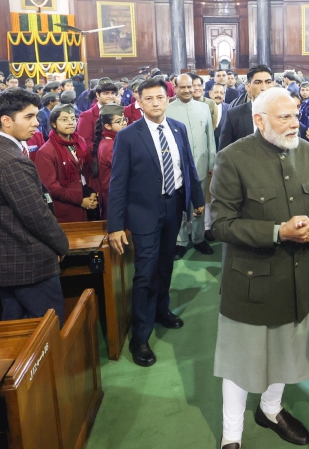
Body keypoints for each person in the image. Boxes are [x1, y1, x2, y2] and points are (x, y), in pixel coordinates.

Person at [210, 87, 309, 449]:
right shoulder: (233, 158)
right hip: (251, 283)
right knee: (238, 365)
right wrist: (278, 232)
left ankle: (270, 409)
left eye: (296, 114)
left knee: (285, 353)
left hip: (296, 279)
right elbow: (220, 225)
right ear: (259, 120)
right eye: (285, 117)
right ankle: (231, 436)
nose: (295, 123)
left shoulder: (307, 152)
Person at [107, 78, 204, 367]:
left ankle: (162, 310)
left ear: (167, 98)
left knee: (166, 264)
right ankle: (141, 337)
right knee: (146, 273)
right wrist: (114, 225)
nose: (155, 103)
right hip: (144, 213)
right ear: (139, 102)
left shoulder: (178, 128)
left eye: (159, 97)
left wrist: (196, 199)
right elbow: (117, 184)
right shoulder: (128, 136)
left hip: (173, 206)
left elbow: (187, 166)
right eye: (148, 99)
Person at [0, 89, 69, 321]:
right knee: (46, 333)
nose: (37, 123)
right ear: (5, 120)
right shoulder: (11, 160)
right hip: (28, 262)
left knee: (18, 329)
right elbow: (36, 215)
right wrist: (62, 245)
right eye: (28, 117)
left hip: (6, 260)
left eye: (36, 116)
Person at [166, 74, 216, 258]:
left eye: (190, 87)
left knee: (199, 204)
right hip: (177, 168)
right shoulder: (168, 110)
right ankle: (180, 241)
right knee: (178, 206)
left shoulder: (204, 108)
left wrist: (212, 162)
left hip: (201, 165)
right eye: (183, 87)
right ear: (175, 87)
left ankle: (198, 238)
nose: (187, 90)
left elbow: (210, 137)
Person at [34, 103, 96, 223]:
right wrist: (80, 200)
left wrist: (92, 192)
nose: (71, 122)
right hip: (66, 207)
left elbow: (88, 169)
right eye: (64, 119)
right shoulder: (46, 151)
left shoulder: (80, 141)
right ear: (53, 124)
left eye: (73, 119)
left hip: (87, 197)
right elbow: (51, 187)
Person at [218, 65, 274, 150]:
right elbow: (224, 153)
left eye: (268, 82)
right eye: (258, 82)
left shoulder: (285, 112)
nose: (264, 88)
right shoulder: (234, 115)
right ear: (248, 86)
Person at [93, 104, 126, 220]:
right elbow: (127, 169)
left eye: (124, 120)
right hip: (115, 199)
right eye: (119, 121)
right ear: (107, 126)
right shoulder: (109, 146)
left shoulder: (114, 140)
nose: (124, 123)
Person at [78, 79, 118, 154]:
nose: (110, 96)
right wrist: (105, 151)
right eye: (106, 93)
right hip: (97, 157)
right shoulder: (86, 116)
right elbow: (84, 142)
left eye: (112, 93)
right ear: (97, 95)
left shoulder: (118, 112)